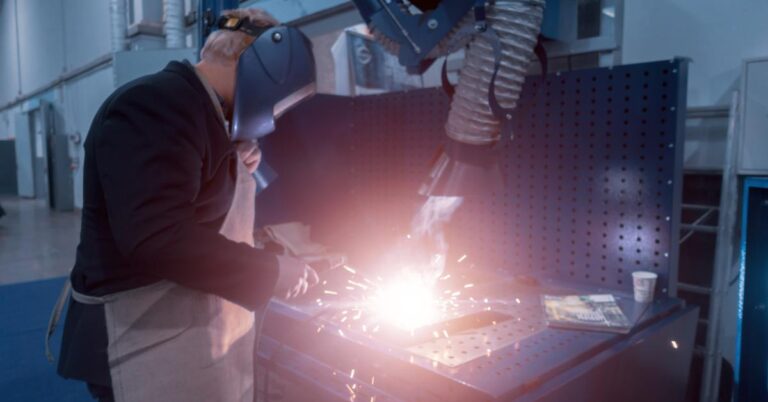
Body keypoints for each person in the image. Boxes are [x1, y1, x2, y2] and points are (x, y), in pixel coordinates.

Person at [55, 8, 317, 402]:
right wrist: (270, 270)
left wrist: (230, 162)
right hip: (137, 335)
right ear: (265, 66)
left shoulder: (198, 111)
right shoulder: (154, 105)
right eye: (281, 101)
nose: (276, 113)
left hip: (173, 326)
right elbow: (157, 236)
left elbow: (190, 201)